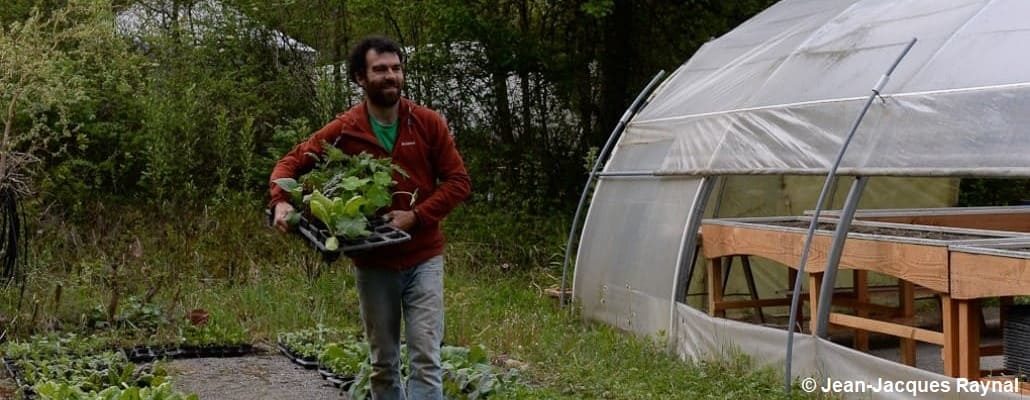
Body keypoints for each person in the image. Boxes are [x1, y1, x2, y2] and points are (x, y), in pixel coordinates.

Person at [268, 35, 471, 400]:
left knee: (426, 355)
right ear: (360, 78)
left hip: (424, 256)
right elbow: (291, 163)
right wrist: (281, 201)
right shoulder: (347, 129)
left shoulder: (426, 123)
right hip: (374, 261)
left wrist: (416, 215)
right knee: (383, 361)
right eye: (380, 69)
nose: (391, 76)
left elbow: (458, 182)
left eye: (396, 68)